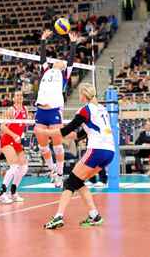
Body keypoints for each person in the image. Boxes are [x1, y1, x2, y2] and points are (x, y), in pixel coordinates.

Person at [39, 83, 114, 230]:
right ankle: (94, 215)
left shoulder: (85, 110)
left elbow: (66, 130)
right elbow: (81, 134)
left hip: (97, 150)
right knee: (78, 181)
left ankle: (58, 217)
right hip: (109, 152)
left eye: (80, 94)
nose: (79, 97)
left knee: (70, 182)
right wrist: (64, 135)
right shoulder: (102, 109)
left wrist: (45, 133)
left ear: (84, 95)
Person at [33, 29, 78, 188]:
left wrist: (73, 44)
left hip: (53, 111)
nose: (59, 61)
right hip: (40, 111)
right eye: (57, 60)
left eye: (61, 61)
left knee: (57, 145)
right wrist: (43, 40)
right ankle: (52, 170)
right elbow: (42, 57)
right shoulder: (45, 70)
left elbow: (71, 61)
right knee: (42, 146)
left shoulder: (64, 75)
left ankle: (59, 173)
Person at [0, 91, 29, 204]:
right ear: (13, 98)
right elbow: (2, 127)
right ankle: (1, 194)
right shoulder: (11, 110)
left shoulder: (25, 110)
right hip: (7, 140)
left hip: (17, 141)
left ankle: (13, 192)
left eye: (21, 95)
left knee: (24, 167)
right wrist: (14, 135)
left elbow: (22, 126)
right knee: (14, 166)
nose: (19, 97)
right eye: (17, 95)